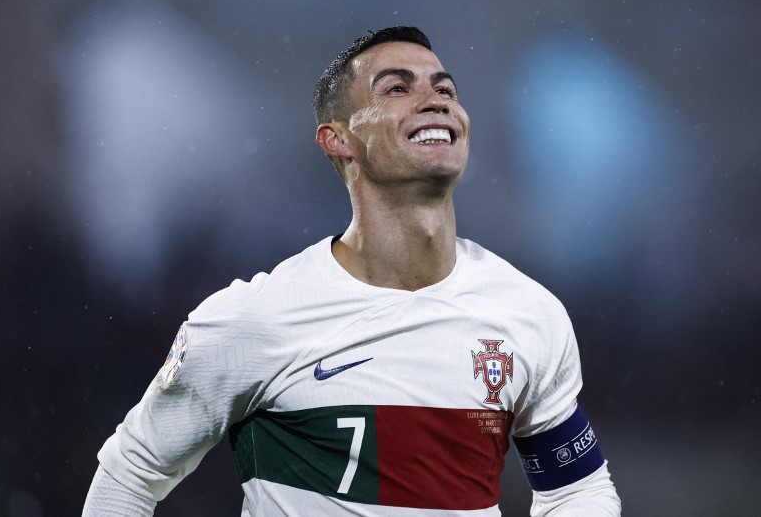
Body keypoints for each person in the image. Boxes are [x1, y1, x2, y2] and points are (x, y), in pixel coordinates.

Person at [83, 26, 621, 515]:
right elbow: (130, 476)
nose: (436, 100)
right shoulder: (253, 319)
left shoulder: (527, 312)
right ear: (338, 139)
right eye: (397, 88)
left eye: (446, 89)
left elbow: (576, 489)